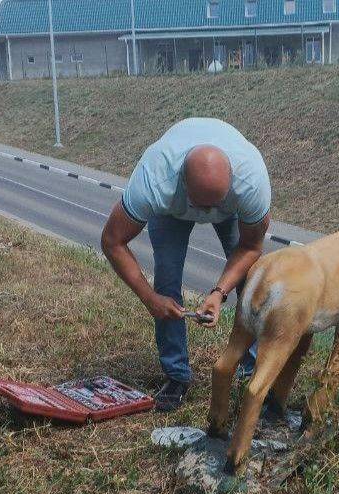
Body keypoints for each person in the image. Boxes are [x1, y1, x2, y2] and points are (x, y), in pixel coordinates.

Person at [100, 118, 271, 412]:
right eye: (201, 205)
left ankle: (249, 369)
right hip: (171, 212)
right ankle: (176, 375)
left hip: (227, 202)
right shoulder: (155, 180)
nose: (206, 214)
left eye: (215, 204)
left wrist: (219, 292)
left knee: (251, 282)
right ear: (181, 183)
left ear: (231, 183)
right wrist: (150, 299)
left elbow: (251, 246)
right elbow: (112, 241)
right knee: (166, 281)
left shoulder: (251, 182)